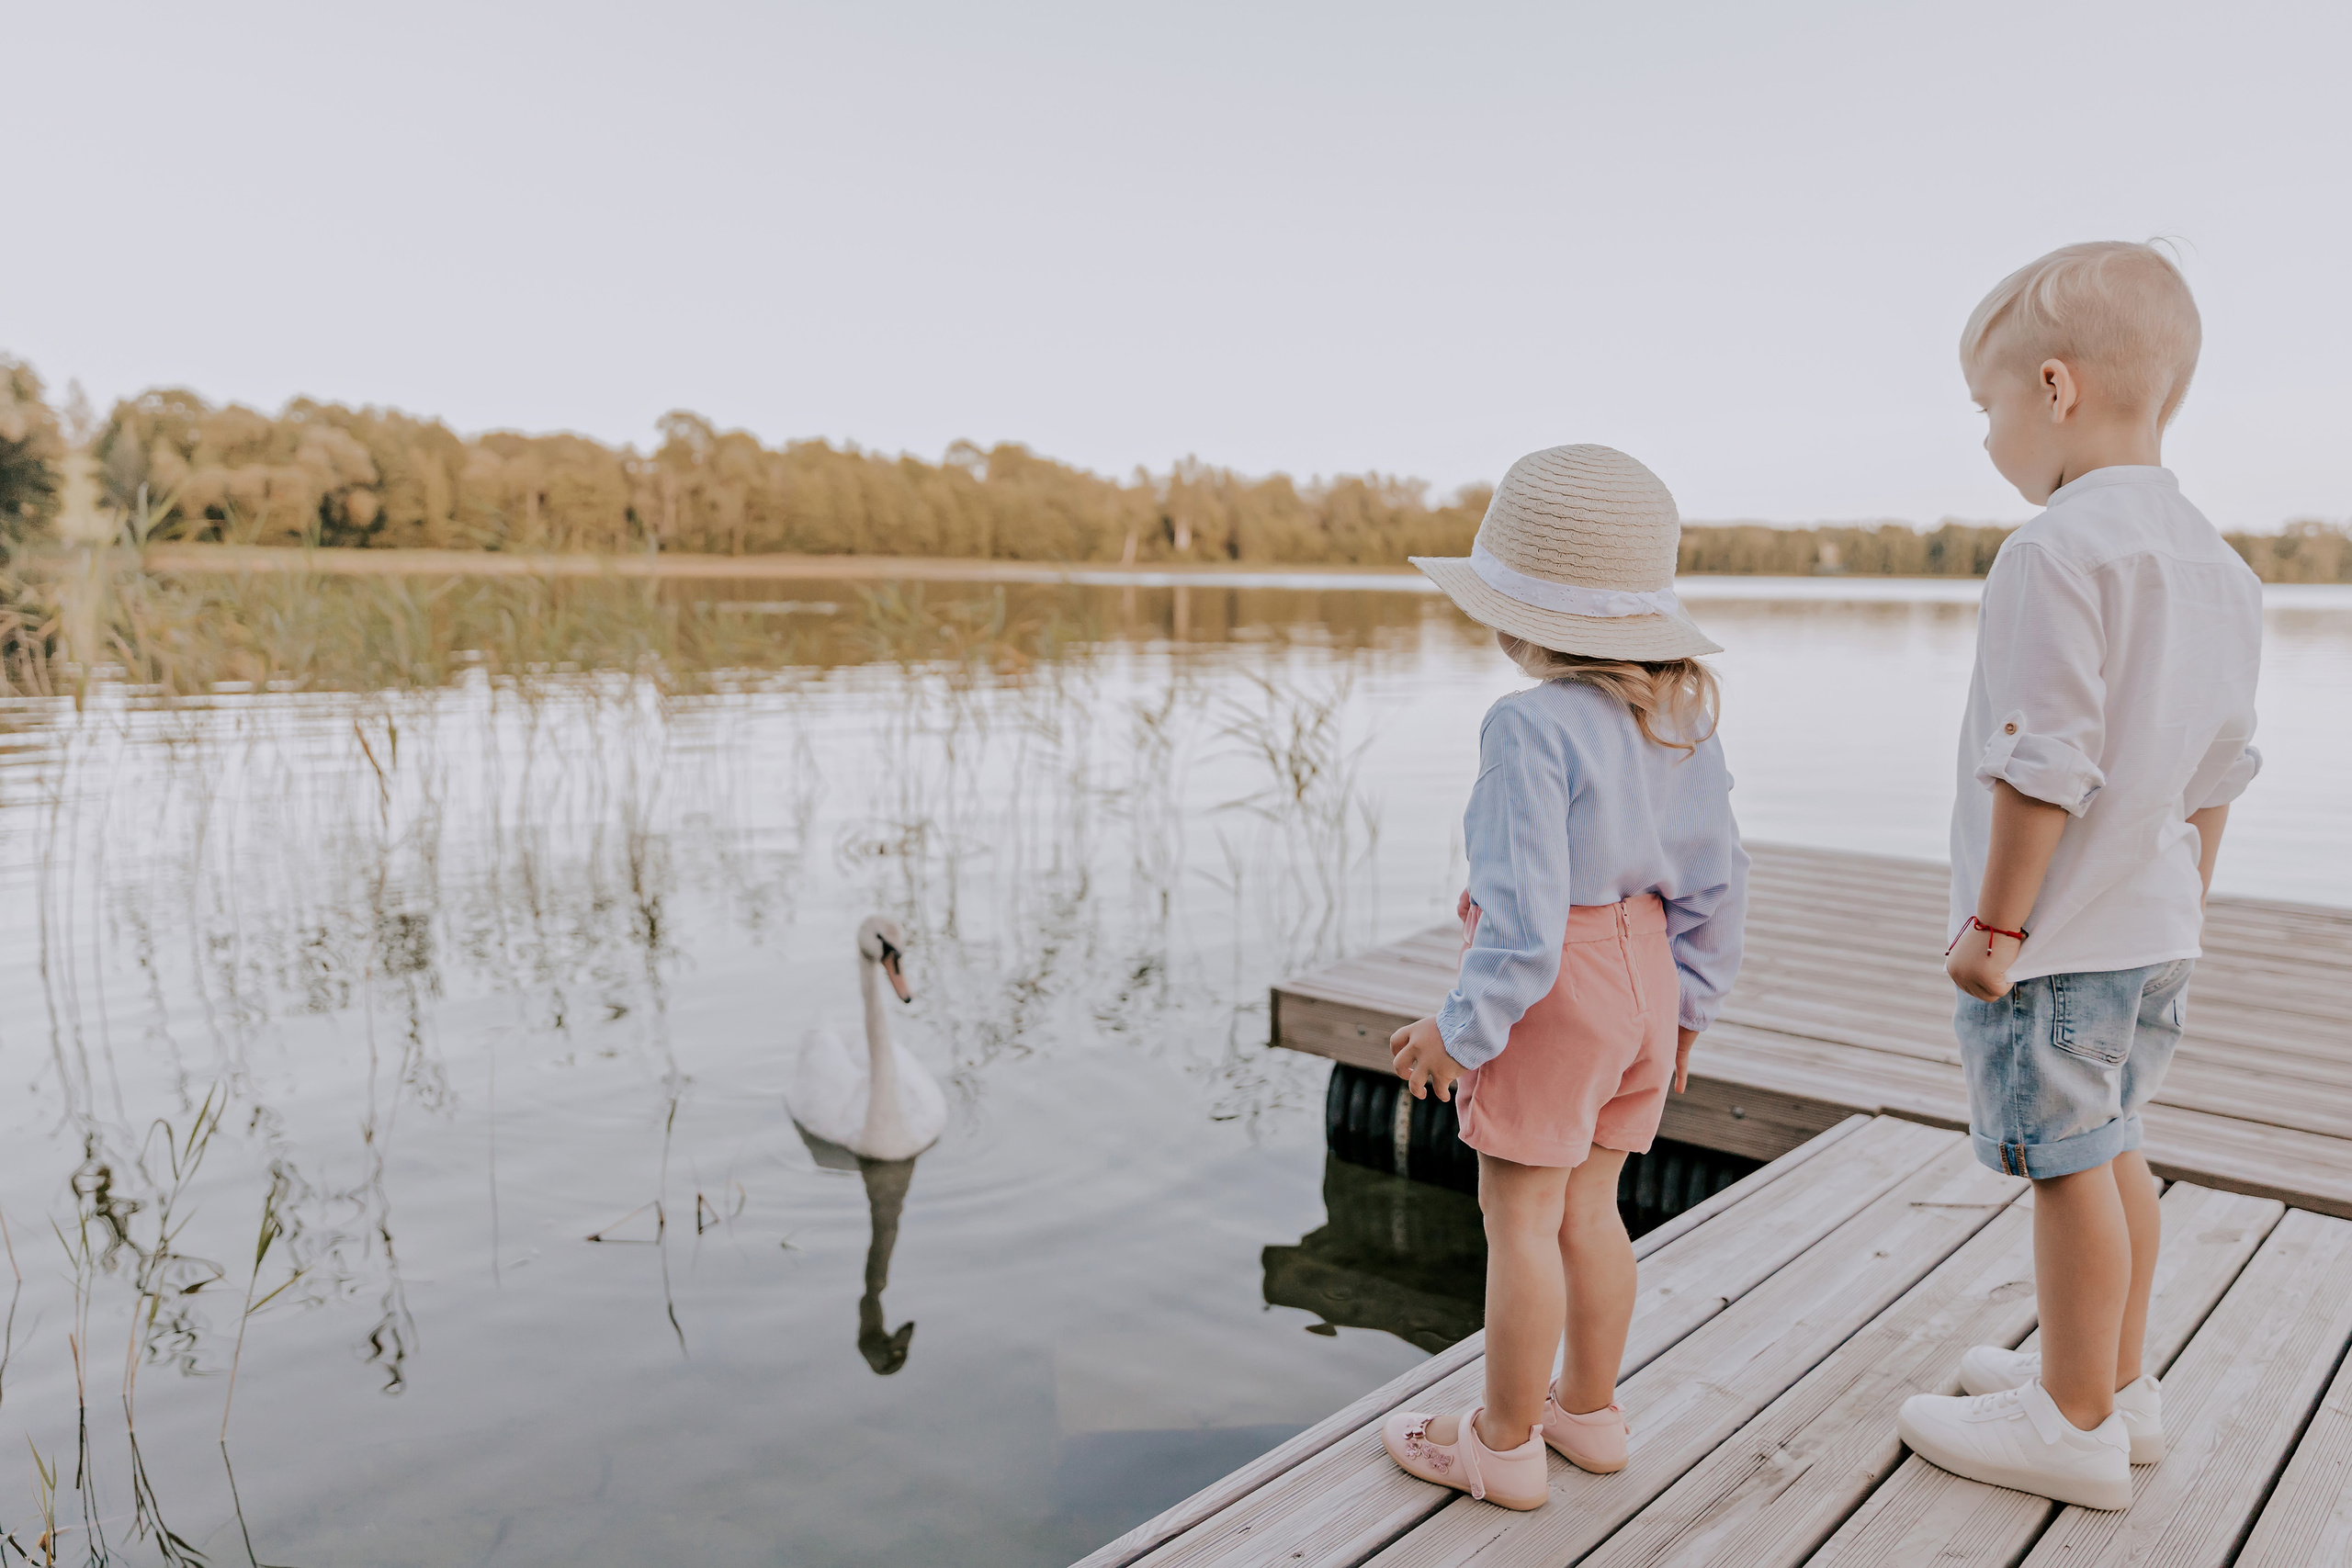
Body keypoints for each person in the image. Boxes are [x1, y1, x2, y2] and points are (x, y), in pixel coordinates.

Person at [1895, 242, 2263, 1512]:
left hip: (2059, 938)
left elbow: (2042, 763)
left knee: (2065, 1162)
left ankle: (2072, 1420)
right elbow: (2221, 772)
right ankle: (2116, 1378)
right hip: (2156, 926)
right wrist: (2188, 901)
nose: (1989, 433)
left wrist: (1996, 924)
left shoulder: (2052, 552)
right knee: (2117, 1151)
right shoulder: (2221, 565)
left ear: (2054, 387)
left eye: (1988, 406)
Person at [1375, 444, 1748, 1510]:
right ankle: (1587, 1412)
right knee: (1595, 1209)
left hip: (1562, 989)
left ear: (1514, 616)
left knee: (1519, 1220)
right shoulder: (1682, 719)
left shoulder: (1526, 726)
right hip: (1650, 982)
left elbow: (1524, 924)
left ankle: (1498, 1442)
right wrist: (1690, 1016)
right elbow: (1721, 881)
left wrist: (1461, 1031)